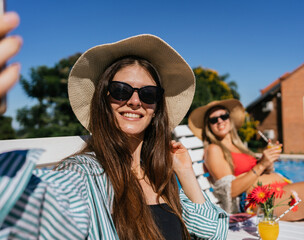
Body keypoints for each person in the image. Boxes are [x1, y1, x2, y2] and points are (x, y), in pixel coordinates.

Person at [0, 14, 229, 239]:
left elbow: (214, 232)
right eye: (121, 90)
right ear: (103, 100)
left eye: (148, 94)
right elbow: (31, 215)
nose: (135, 101)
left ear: (156, 108)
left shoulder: (159, 173)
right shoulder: (84, 173)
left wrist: (186, 172)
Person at [188, 99, 304, 222]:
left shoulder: (240, 148)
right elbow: (230, 191)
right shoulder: (213, 150)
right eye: (213, 119)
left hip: (280, 193)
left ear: (230, 119)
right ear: (208, 126)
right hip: (260, 203)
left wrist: (267, 164)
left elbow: (253, 175)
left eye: (223, 116)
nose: (219, 121)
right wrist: (261, 165)